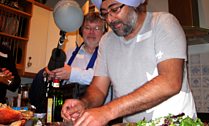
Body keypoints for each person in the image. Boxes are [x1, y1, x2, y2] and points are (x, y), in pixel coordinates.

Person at [61, 0, 197, 126]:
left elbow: (170, 82)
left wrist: (107, 111)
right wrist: (84, 104)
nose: (109, 19)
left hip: (176, 122)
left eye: (114, 9)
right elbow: (98, 89)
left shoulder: (163, 23)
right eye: (104, 14)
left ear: (134, 3)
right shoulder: (106, 41)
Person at [29, 12, 108, 113]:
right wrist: (51, 74)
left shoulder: (107, 54)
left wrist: (71, 73)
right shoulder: (71, 53)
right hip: (64, 111)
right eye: (87, 28)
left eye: (96, 28)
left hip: (94, 114)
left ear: (104, 32)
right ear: (81, 31)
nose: (91, 32)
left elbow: (101, 80)